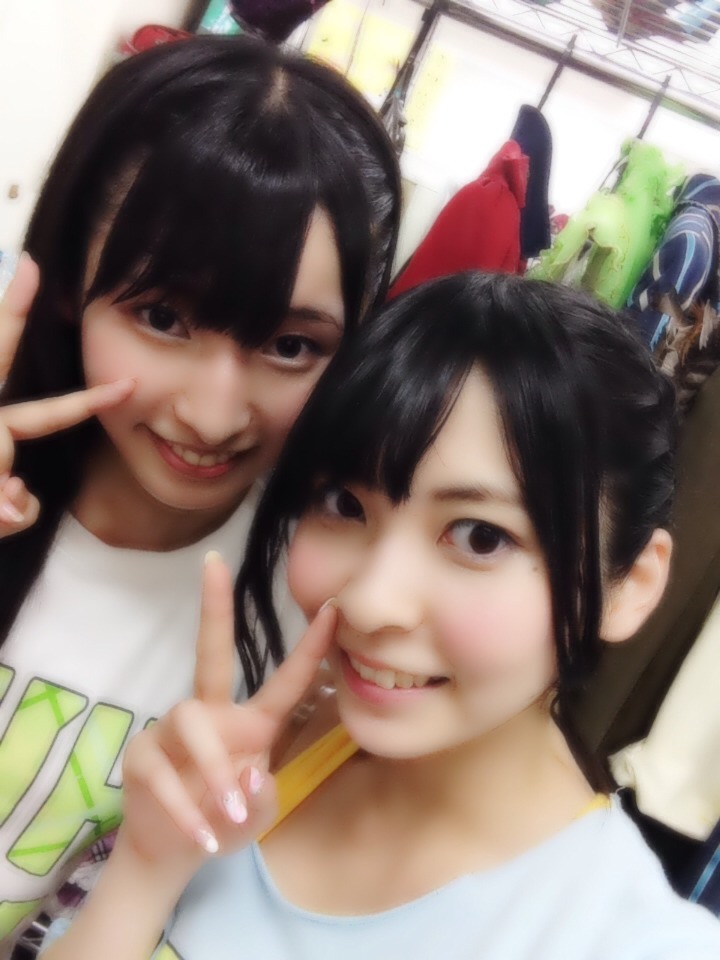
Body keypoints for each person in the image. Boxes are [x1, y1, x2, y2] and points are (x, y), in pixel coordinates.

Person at [42, 273, 720, 958]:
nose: (368, 602)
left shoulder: (635, 942)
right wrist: (147, 866)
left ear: (632, 585)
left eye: (480, 536)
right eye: (343, 504)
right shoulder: (280, 741)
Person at [0, 33, 400, 946]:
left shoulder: (312, 624)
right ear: (66, 284)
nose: (214, 415)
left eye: (290, 345)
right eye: (162, 316)